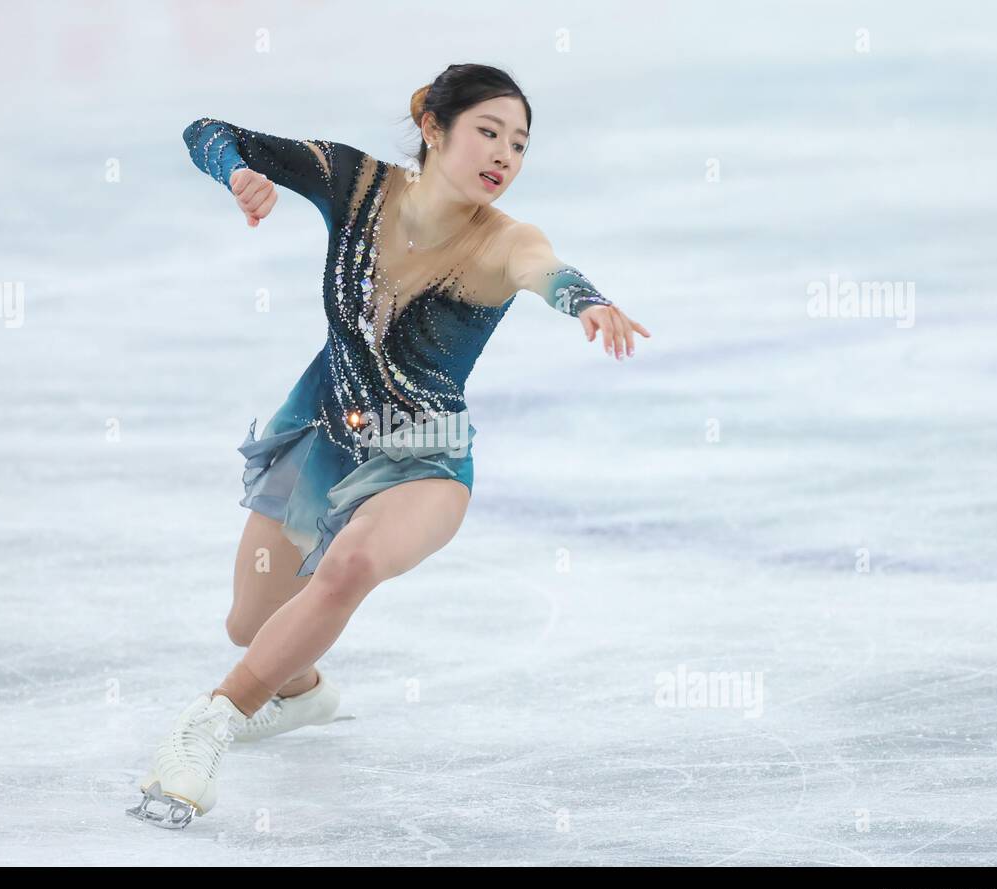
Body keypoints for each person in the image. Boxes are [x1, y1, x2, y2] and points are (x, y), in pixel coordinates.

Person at [128, 63, 651, 828]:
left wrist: (588, 301)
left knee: (352, 563)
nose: (504, 155)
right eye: (488, 131)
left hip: (426, 461)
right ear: (434, 129)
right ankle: (301, 695)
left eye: (519, 144)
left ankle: (206, 724)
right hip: (324, 436)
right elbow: (207, 133)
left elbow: (546, 270)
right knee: (252, 627)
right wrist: (238, 174)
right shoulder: (355, 183)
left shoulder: (507, 241)